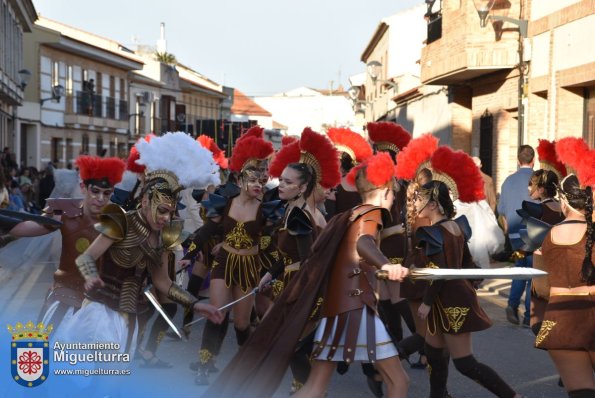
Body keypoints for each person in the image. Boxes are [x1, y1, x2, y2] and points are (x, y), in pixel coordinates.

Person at [204, 152, 409, 398]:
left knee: (314, 387)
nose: (281, 185)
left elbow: (329, 256)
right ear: (387, 191)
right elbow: (364, 242)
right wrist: (386, 265)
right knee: (398, 381)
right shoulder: (371, 213)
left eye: (288, 182)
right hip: (354, 307)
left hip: (338, 307)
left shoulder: (350, 214)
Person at [58, 132, 223, 357]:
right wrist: (90, 277)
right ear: (145, 201)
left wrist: (195, 304)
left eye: (171, 212)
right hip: (98, 313)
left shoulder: (163, 237)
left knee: (114, 382)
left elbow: (163, 283)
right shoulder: (121, 222)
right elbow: (86, 257)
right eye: (162, 210)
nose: (166, 218)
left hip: (130, 317)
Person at [415, 146, 524, 398]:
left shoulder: (434, 232)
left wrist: (427, 302)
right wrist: (471, 282)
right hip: (450, 297)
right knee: (433, 354)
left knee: (464, 363)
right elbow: (468, 263)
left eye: (419, 199)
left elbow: (440, 271)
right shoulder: (455, 226)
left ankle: (513, 396)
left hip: (448, 300)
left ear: (433, 203)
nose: (416, 203)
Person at [259, 127, 341, 393]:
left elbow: (307, 261)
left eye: (287, 182)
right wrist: (270, 274)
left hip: (303, 287)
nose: (280, 185)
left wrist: (296, 296)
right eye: (281, 180)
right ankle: (303, 389)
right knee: (293, 349)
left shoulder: (299, 214)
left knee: (291, 347)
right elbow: (290, 255)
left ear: (303, 187)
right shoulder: (304, 211)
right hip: (298, 284)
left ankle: (311, 391)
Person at [6, 156, 126, 335]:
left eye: (107, 193)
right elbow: (26, 228)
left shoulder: (119, 218)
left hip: (102, 306)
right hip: (64, 298)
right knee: (47, 354)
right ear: (83, 187)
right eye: (95, 191)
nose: (100, 198)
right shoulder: (63, 210)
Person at [194, 130, 274, 385]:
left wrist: (272, 269)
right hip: (225, 261)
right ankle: (205, 364)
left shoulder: (267, 208)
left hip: (249, 266)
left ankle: (246, 364)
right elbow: (208, 229)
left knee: (241, 323)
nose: (258, 184)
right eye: (253, 178)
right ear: (240, 180)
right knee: (216, 313)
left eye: (262, 179)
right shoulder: (225, 202)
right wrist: (191, 249)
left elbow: (273, 241)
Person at [535, 174, 595, 398]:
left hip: (559, 321)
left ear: (563, 200)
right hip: (591, 313)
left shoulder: (548, 236)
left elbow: (540, 288)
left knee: (581, 394)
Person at [498, 145, 536, 327]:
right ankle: (529, 316)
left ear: (518, 160)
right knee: (532, 276)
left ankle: (512, 305)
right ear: (533, 160)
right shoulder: (539, 179)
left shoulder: (508, 181)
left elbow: (502, 211)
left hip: (515, 233)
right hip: (534, 233)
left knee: (520, 271)